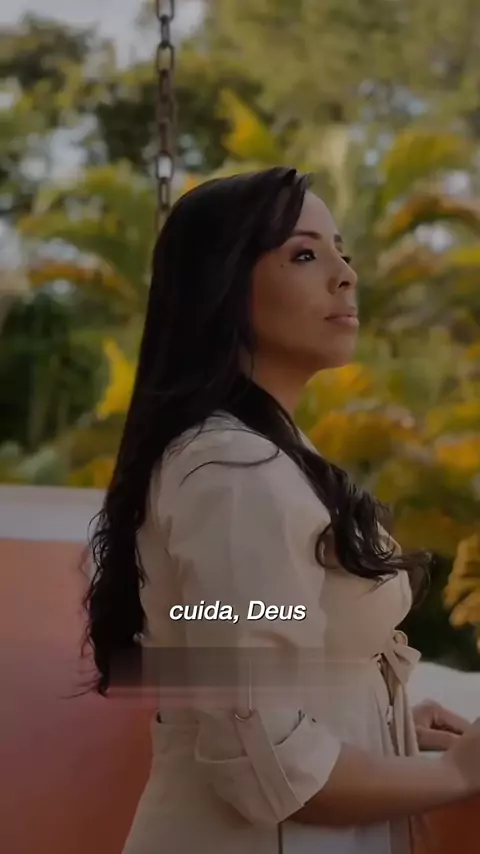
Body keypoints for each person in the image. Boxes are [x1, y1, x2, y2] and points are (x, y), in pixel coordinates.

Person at [82, 167, 480, 854]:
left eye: (340, 252)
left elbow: (267, 654)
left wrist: (376, 717)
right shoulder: (235, 476)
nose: (345, 276)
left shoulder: (263, 454)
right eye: (303, 254)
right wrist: (458, 772)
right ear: (224, 288)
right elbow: (266, 762)